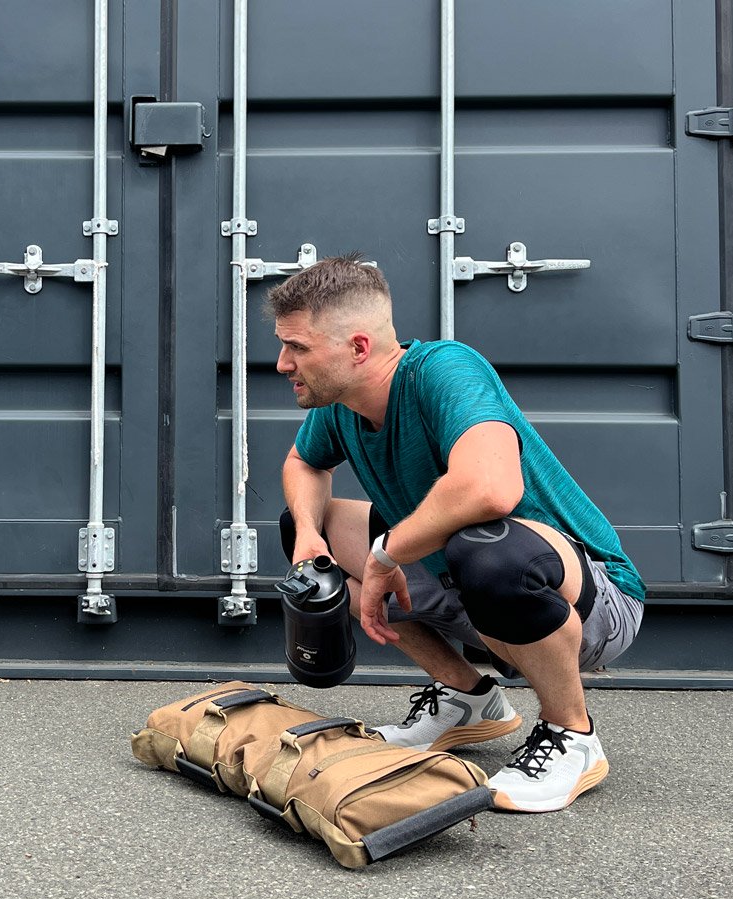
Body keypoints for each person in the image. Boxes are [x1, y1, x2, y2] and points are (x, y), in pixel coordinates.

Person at [269, 254, 645, 814]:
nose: (281, 364)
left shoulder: (444, 369)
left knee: (490, 549)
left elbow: (491, 489)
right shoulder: (342, 404)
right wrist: (307, 534)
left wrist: (384, 556)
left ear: (358, 347)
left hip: (590, 601)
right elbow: (304, 464)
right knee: (313, 531)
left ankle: (573, 734)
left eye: (297, 348)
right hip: (464, 583)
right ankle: (468, 699)